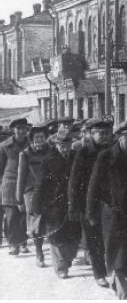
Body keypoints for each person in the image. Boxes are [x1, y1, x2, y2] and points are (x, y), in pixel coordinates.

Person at [86, 120, 127, 300]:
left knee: (126, 252)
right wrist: (90, 212)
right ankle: (125, 292)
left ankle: (117, 282)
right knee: (117, 251)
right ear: (119, 138)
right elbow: (94, 185)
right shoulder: (106, 156)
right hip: (112, 211)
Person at [68, 118, 112, 288]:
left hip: (108, 201)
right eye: (101, 133)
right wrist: (73, 205)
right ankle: (99, 274)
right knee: (94, 240)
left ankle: (112, 269)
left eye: (107, 133)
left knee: (109, 237)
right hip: (88, 202)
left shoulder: (112, 150)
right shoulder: (84, 152)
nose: (105, 136)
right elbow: (74, 180)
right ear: (92, 134)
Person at [31, 131, 81, 278]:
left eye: (68, 145)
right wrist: (36, 206)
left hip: (74, 203)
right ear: (57, 145)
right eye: (62, 146)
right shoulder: (48, 160)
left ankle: (67, 259)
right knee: (56, 235)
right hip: (54, 205)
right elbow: (40, 184)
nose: (65, 149)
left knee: (74, 236)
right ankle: (60, 266)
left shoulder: (76, 157)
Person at [17, 125, 54, 267]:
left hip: (49, 190)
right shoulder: (25, 154)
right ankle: (39, 253)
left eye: (42, 137)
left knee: (51, 219)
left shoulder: (52, 151)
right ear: (32, 139)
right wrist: (19, 198)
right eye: (37, 137)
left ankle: (55, 252)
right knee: (36, 222)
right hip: (31, 191)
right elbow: (21, 177)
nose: (40, 140)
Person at [0, 118, 30, 256]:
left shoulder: (31, 144)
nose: (21, 131)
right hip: (10, 183)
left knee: (24, 214)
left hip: (27, 183)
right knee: (11, 215)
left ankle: (23, 242)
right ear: (13, 129)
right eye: (18, 128)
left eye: (23, 128)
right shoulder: (4, 146)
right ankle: (13, 244)